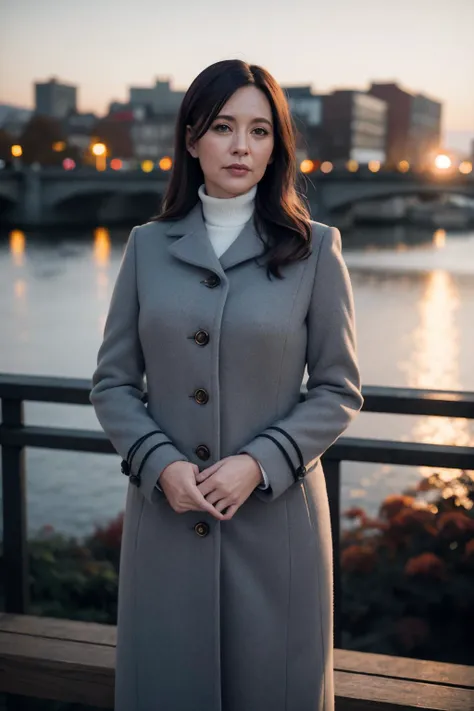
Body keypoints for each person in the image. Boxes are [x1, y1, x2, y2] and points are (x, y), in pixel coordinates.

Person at [90, 58, 364, 711]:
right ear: (191, 139)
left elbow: (338, 388)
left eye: (260, 131)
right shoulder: (146, 247)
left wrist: (257, 463)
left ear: (277, 146)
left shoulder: (316, 249)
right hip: (167, 524)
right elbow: (113, 383)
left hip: (277, 531)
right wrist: (159, 466)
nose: (242, 146)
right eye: (223, 127)